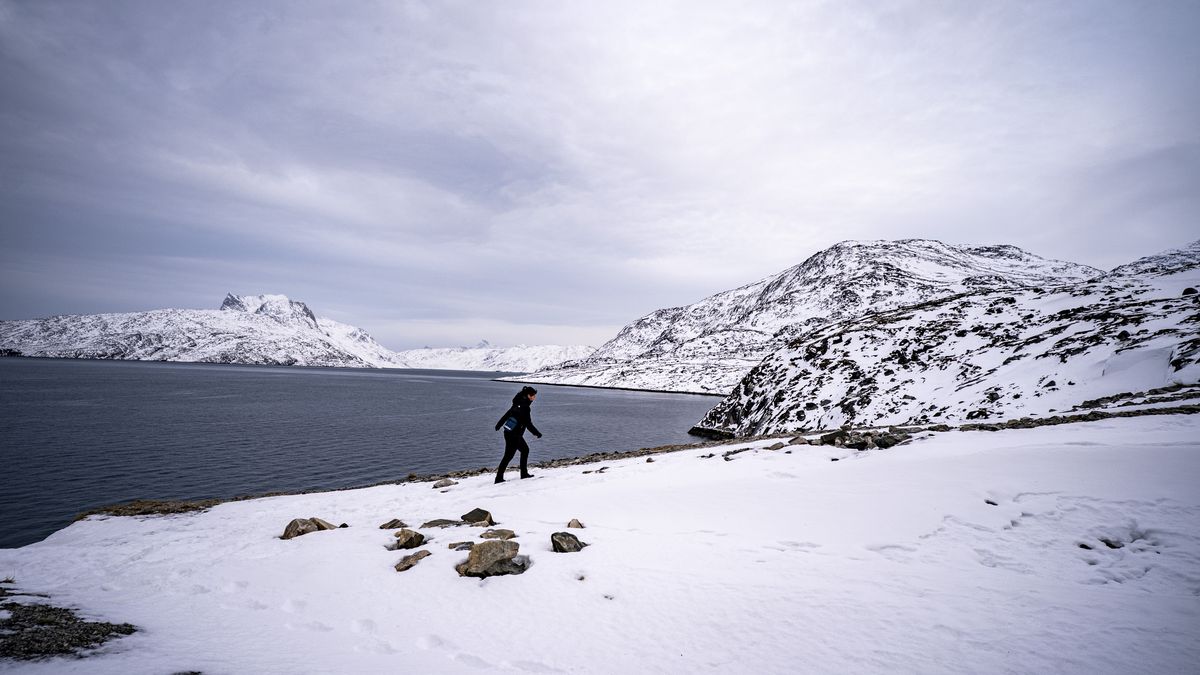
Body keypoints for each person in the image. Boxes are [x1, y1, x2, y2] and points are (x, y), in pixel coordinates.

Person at [494, 386, 542, 483]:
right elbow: (528, 424)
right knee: (523, 451)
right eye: (533, 396)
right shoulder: (525, 407)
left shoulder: (517, 403)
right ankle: (523, 474)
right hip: (514, 434)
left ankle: (499, 478)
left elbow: (507, 414)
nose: (534, 398)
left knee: (509, 455)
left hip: (508, 432)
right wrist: (537, 433)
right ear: (529, 395)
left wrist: (499, 424)